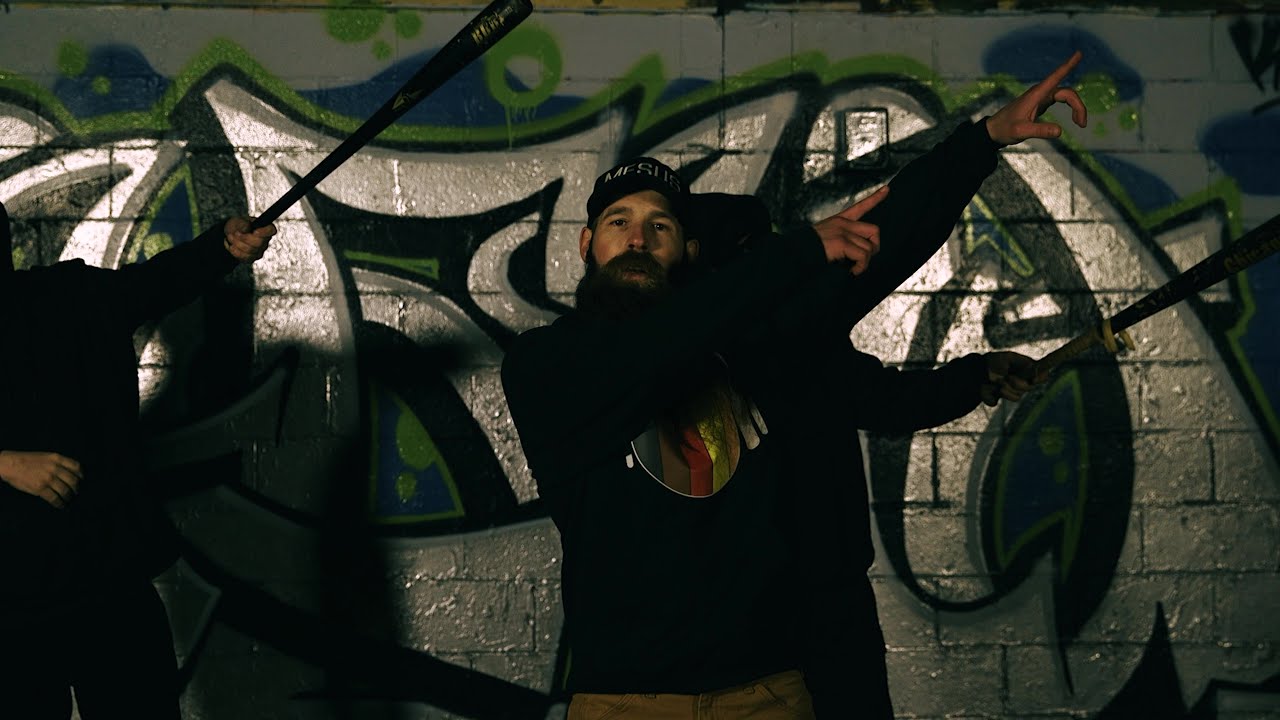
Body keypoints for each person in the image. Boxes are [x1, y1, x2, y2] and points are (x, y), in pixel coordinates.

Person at [501, 54, 1086, 719]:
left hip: (764, 694)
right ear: (585, 245)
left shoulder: (746, 343)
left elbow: (873, 248)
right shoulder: (544, 365)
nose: (638, 238)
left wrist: (982, 143)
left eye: (659, 226)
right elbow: (647, 349)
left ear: (688, 251)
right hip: (623, 701)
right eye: (618, 223)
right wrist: (801, 252)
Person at [0, 200, 277, 720]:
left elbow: (158, 282)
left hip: (108, 588)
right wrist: (7, 464)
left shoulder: (69, 297)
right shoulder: (72, 297)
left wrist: (223, 246)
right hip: (11, 611)